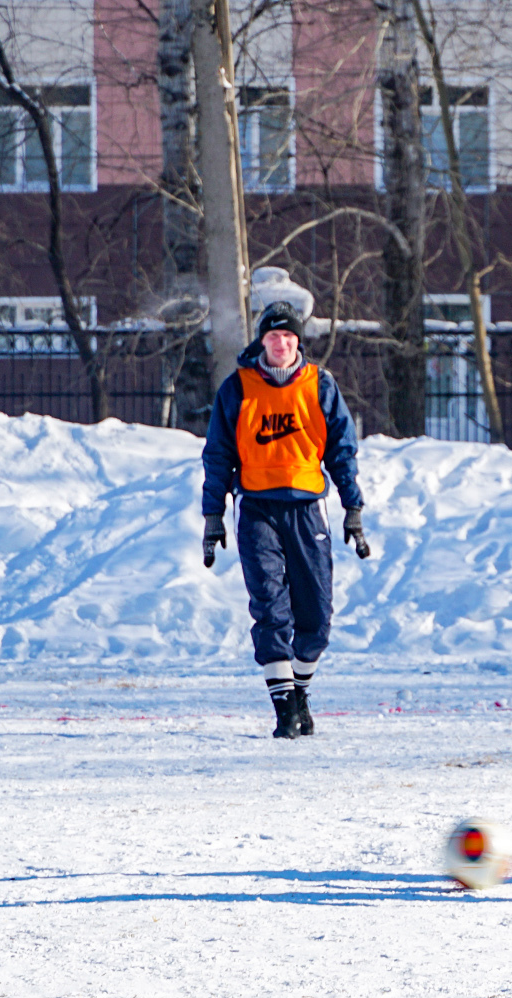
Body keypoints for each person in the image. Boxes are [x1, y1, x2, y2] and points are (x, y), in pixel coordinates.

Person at [202, 301, 371, 739]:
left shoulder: (321, 386)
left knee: (316, 614)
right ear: (262, 340)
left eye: (289, 337)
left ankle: (299, 692)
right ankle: (283, 709)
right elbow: (218, 456)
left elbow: (342, 452)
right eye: (274, 336)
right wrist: (213, 516)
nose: (281, 343)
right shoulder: (236, 389)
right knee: (270, 607)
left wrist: (353, 509)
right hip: (256, 505)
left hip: (307, 505)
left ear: (299, 342)